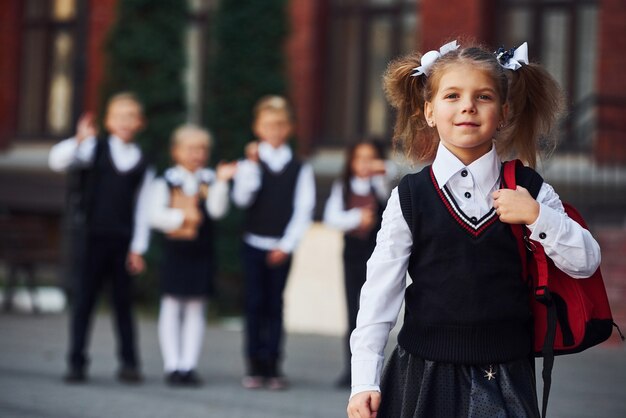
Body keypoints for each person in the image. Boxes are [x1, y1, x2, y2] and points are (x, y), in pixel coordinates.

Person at [347, 40, 602, 418]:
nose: (468, 105)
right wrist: (364, 381)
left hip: (506, 375)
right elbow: (379, 293)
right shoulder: (411, 197)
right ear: (430, 111)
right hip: (422, 374)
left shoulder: (530, 190)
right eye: (452, 95)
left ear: (503, 112)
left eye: (483, 96)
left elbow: (587, 262)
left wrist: (537, 217)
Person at [49, 92, 154, 384]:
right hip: (91, 236)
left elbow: (143, 207)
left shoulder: (142, 160)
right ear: (108, 121)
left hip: (122, 239)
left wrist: (138, 247)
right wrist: (79, 140)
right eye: (119, 116)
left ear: (140, 123)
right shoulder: (92, 149)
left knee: (123, 303)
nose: (125, 122)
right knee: (84, 300)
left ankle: (129, 363)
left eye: (131, 116)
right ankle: (77, 361)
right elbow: (57, 161)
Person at [232, 95, 316, 390]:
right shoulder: (248, 163)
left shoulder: (298, 166)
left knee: (275, 305)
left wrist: (287, 244)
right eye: (268, 124)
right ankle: (254, 364)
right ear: (257, 128)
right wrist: (252, 166)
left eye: (280, 124)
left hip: (281, 246)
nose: (274, 130)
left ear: (289, 129)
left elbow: (303, 209)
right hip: (254, 242)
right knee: (254, 304)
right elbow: (242, 198)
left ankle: (273, 364)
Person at [149, 124, 237, 387]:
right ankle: (172, 364)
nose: (196, 154)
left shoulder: (209, 181)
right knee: (172, 305)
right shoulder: (165, 181)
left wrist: (222, 182)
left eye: (201, 149)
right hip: (176, 251)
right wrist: (181, 216)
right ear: (175, 152)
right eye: (190, 148)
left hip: (201, 251)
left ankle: (188, 364)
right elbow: (154, 215)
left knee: (196, 308)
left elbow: (218, 211)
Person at [322, 141, 394, 388]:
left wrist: (378, 169)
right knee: (353, 311)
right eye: (359, 158)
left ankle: (376, 369)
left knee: (374, 311)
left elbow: (391, 172)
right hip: (352, 255)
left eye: (369, 158)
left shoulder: (380, 184)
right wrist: (356, 217)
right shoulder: (343, 186)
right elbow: (332, 217)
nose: (364, 163)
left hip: (376, 254)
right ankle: (351, 367)